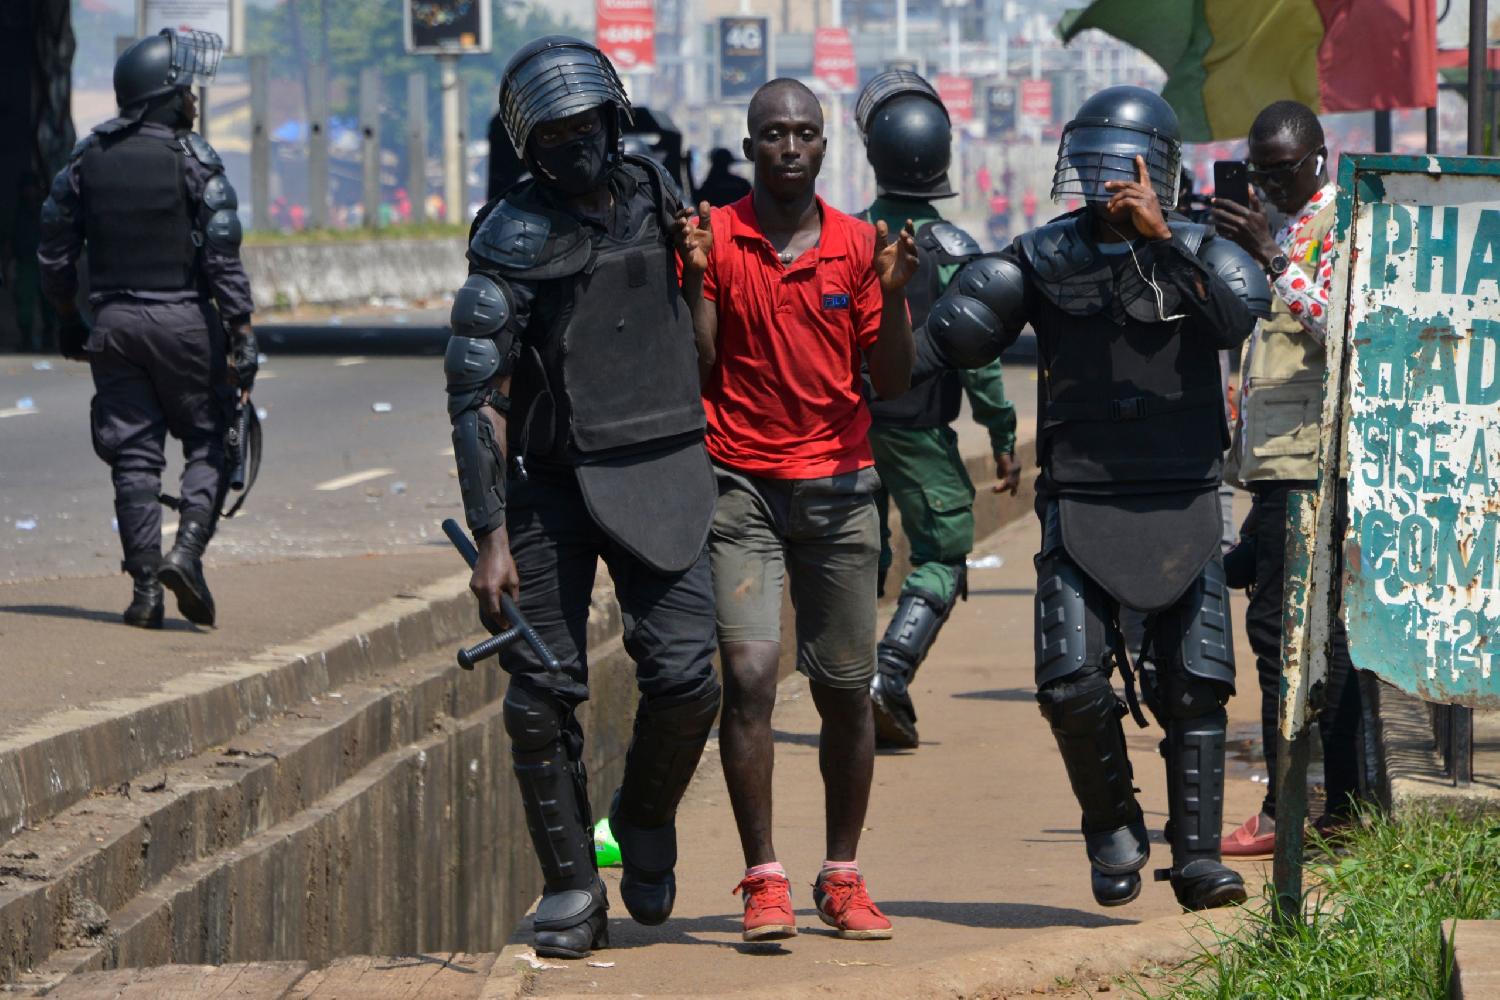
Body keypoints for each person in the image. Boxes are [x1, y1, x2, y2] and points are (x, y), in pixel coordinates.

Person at [908, 86, 1271, 910]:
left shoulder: (1200, 249)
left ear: (1161, 172)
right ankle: (1111, 825)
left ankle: (1200, 857)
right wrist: (898, 306)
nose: (1112, 181)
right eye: (1099, 164)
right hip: (1081, 497)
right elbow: (947, 341)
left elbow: (1239, 319)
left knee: (1197, 684)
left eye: (1128, 165)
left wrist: (1162, 242)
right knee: (1069, 680)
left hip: (1181, 495)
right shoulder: (1042, 256)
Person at [449, 36, 721, 960]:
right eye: (555, 134)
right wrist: (493, 537)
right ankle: (570, 888)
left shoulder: (655, 190)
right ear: (530, 146)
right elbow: (476, 396)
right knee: (537, 698)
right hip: (553, 488)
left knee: (689, 681)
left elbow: (698, 313)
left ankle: (643, 818)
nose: (577, 145)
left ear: (615, 118)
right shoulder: (509, 237)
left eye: (588, 125)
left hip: (665, 465)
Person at [677, 77, 918, 942]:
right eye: (772, 133)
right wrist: (699, 278)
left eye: (804, 134)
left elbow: (888, 380)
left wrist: (891, 295)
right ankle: (764, 877)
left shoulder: (859, 246)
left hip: (841, 487)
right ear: (749, 148)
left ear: (825, 148)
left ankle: (841, 875)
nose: (788, 146)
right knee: (746, 675)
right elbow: (702, 367)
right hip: (739, 483)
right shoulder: (717, 237)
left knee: (846, 690)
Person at [38, 28, 256, 629]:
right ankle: (185, 553)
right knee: (210, 439)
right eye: (184, 89)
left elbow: (54, 252)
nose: (192, 98)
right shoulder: (195, 160)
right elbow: (221, 257)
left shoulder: (84, 160)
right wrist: (241, 335)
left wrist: (67, 319)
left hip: (113, 324)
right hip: (184, 322)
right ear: (161, 96)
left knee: (133, 455)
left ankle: (144, 593)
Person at [1211, 100, 1362, 857]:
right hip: (1274, 463)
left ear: (1319, 159)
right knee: (1311, 636)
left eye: (1281, 171)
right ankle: (1340, 804)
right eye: (1259, 172)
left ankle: (1289, 807)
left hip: (1310, 462)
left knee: (1287, 637)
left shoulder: (1341, 226)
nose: (1267, 185)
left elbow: (1341, 323)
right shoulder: (1289, 226)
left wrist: (1271, 254)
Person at [853, 69, 1019, 749]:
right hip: (920, 430)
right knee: (945, 554)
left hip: (850, 431)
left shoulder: (846, 239)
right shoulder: (954, 251)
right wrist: (1002, 434)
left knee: (852, 561)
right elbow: (977, 356)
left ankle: (847, 680)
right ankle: (888, 671)